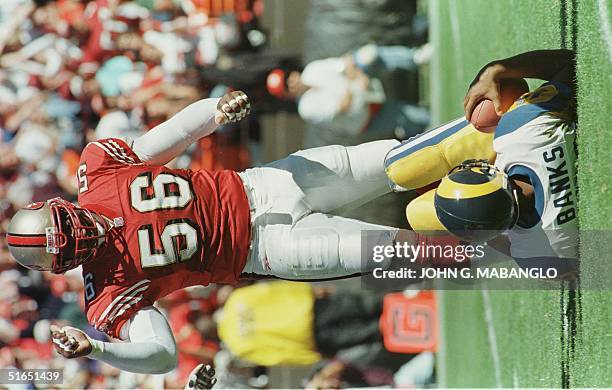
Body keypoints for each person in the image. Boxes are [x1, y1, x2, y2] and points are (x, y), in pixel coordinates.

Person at [6, 89, 410, 374]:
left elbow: (176, 133)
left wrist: (215, 112)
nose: (78, 235)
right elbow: (163, 355)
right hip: (268, 249)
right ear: (62, 268)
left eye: (65, 226)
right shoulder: (108, 294)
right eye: (68, 248)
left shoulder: (100, 169)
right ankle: (474, 251)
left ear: (60, 207)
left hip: (267, 183)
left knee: (402, 158)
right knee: (406, 251)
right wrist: (97, 348)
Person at [385, 49, 578, 272]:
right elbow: (569, 64)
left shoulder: (540, 257)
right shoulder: (520, 130)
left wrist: (481, 230)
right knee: (401, 172)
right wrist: (498, 69)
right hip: (525, 139)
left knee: (420, 214)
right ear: (491, 174)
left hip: (527, 232)